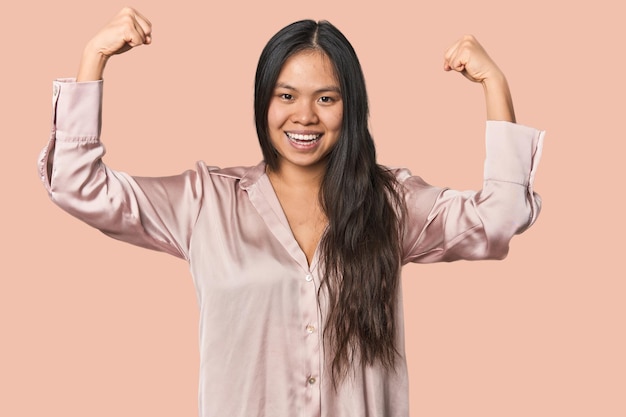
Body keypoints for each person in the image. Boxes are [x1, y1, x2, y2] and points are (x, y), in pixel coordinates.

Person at [38, 7, 544, 417]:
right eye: (286, 96)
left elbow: (500, 216)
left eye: (326, 98)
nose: (305, 116)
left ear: (352, 107)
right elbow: (77, 185)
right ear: (263, 101)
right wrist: (93, 58)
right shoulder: (204, 202)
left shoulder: (391, 204)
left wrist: (494, 83)